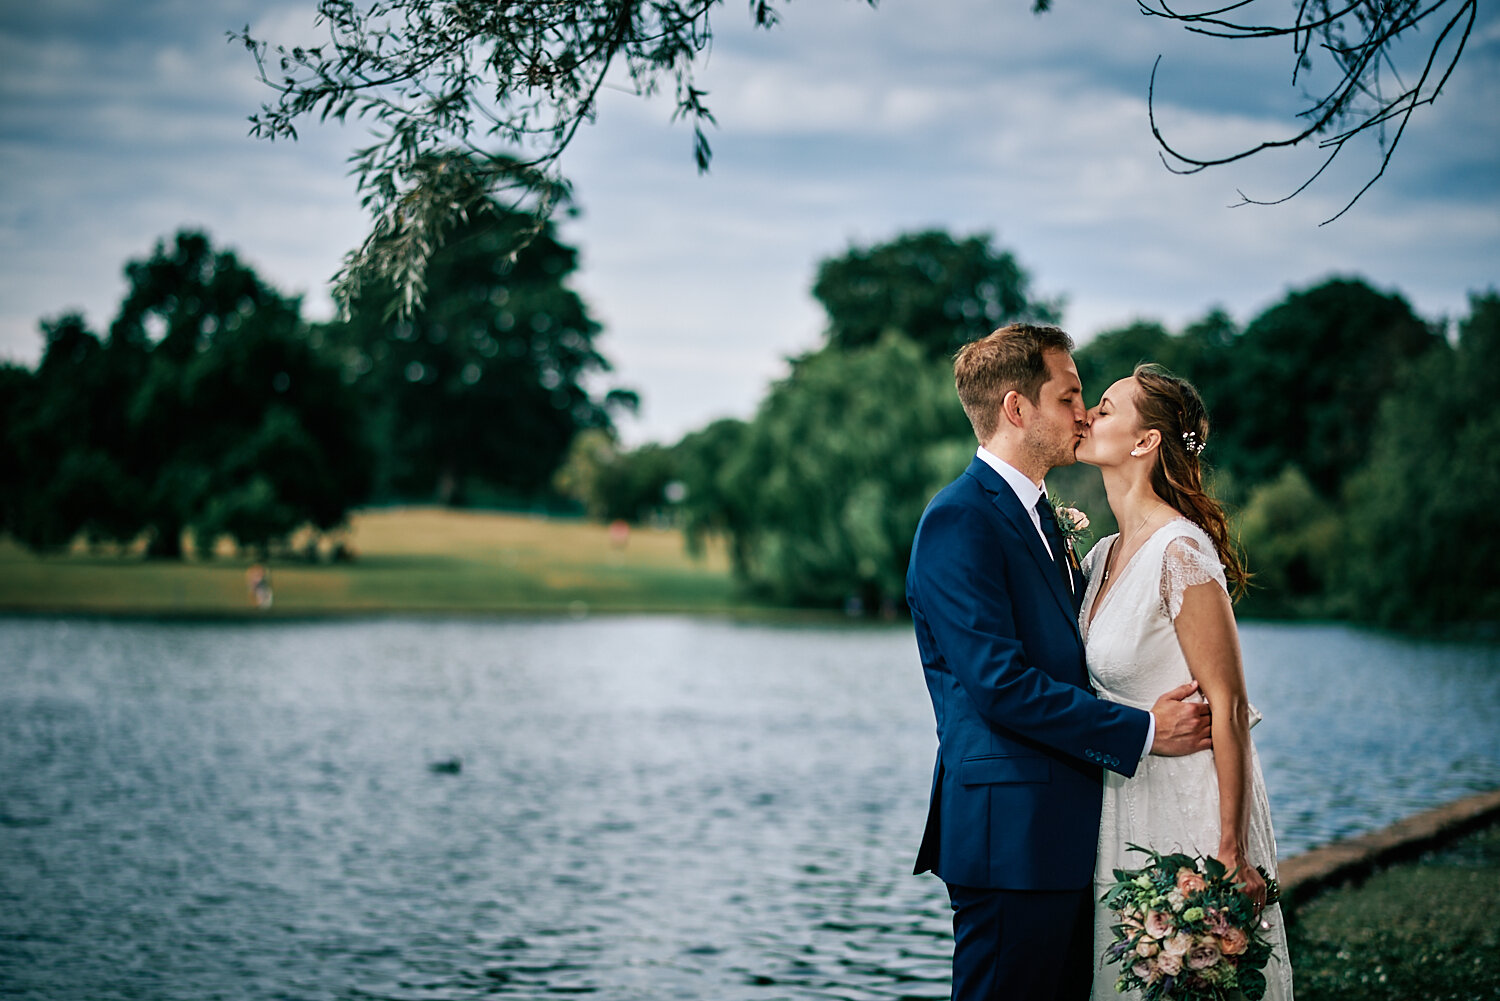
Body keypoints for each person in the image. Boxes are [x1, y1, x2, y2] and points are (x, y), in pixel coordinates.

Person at [906, 324, 1213, 1001]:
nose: (1085, 413)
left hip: (1068, 837)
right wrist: (1144, 730)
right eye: (1070, 395)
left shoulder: (1046, 521)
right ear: (1017, 409)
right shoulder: (959, 519)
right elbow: (1000, 686)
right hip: (1009, 840)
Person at [1075, 364, 1293, 999]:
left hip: (1189, 805)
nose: (1088, 415)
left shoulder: (1180, 552)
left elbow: (1228, 705)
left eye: (1107, 408)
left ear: (1145, 442)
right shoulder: (1101, 555)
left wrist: (1230, 848)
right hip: (1122, 796)